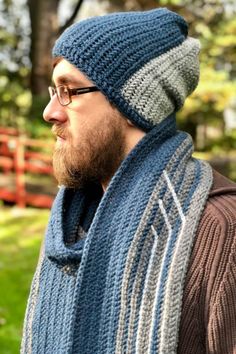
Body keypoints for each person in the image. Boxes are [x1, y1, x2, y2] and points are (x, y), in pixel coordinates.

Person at [21, 8, 236, 354]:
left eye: (70, 91)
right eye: (53, 90)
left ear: (132, 105)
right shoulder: (72, 224)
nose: (50, 112)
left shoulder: (222, 229)